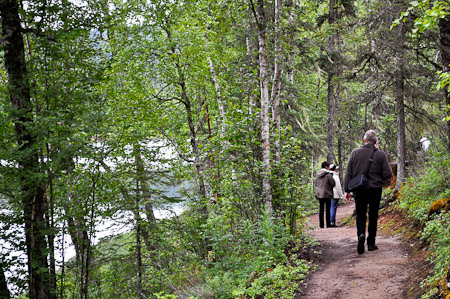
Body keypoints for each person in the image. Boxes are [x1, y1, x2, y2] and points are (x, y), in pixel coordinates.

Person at [343, 130, 392, 254]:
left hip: (359, 189)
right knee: (373, 215)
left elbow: (348, 172)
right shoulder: (381, 154)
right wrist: (379, 179)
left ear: (364, 140)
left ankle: (361, 235)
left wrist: (347, 190)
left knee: (360, 214)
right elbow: (388, 173)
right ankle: (371, 243)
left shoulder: (354, 153)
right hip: (375, 189)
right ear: (376, 141)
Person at [315, 161, 335, 228]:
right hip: (327, 193)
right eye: (328, 166)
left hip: (320, 194)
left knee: (321, 209)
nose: (329, 168)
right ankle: (328, 224)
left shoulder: (318, 174)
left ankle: (321, 225)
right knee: (328, 209)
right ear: (326, 167)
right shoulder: (328, 174)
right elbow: (333, 183)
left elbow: (316, 183)